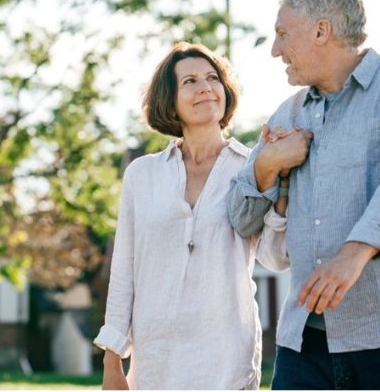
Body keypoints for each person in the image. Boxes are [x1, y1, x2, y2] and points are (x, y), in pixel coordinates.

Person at [227, 0, 380, 389]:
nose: (275, 50)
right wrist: (267, 164)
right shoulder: (286, 116)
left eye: (283, 35)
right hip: (306, 341)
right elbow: (240, 219)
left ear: (320, 31)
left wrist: (353, 254)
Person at [93, 42, 288, 390]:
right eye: (190, 81)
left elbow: (275, 257)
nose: (205, 87)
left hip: (227, 355)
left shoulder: (252, 167)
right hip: (156, 358)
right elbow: (124, 270)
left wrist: (280, 185)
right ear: (171, 100)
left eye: (213, 78)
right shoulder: (143, 174)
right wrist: (112, 358)